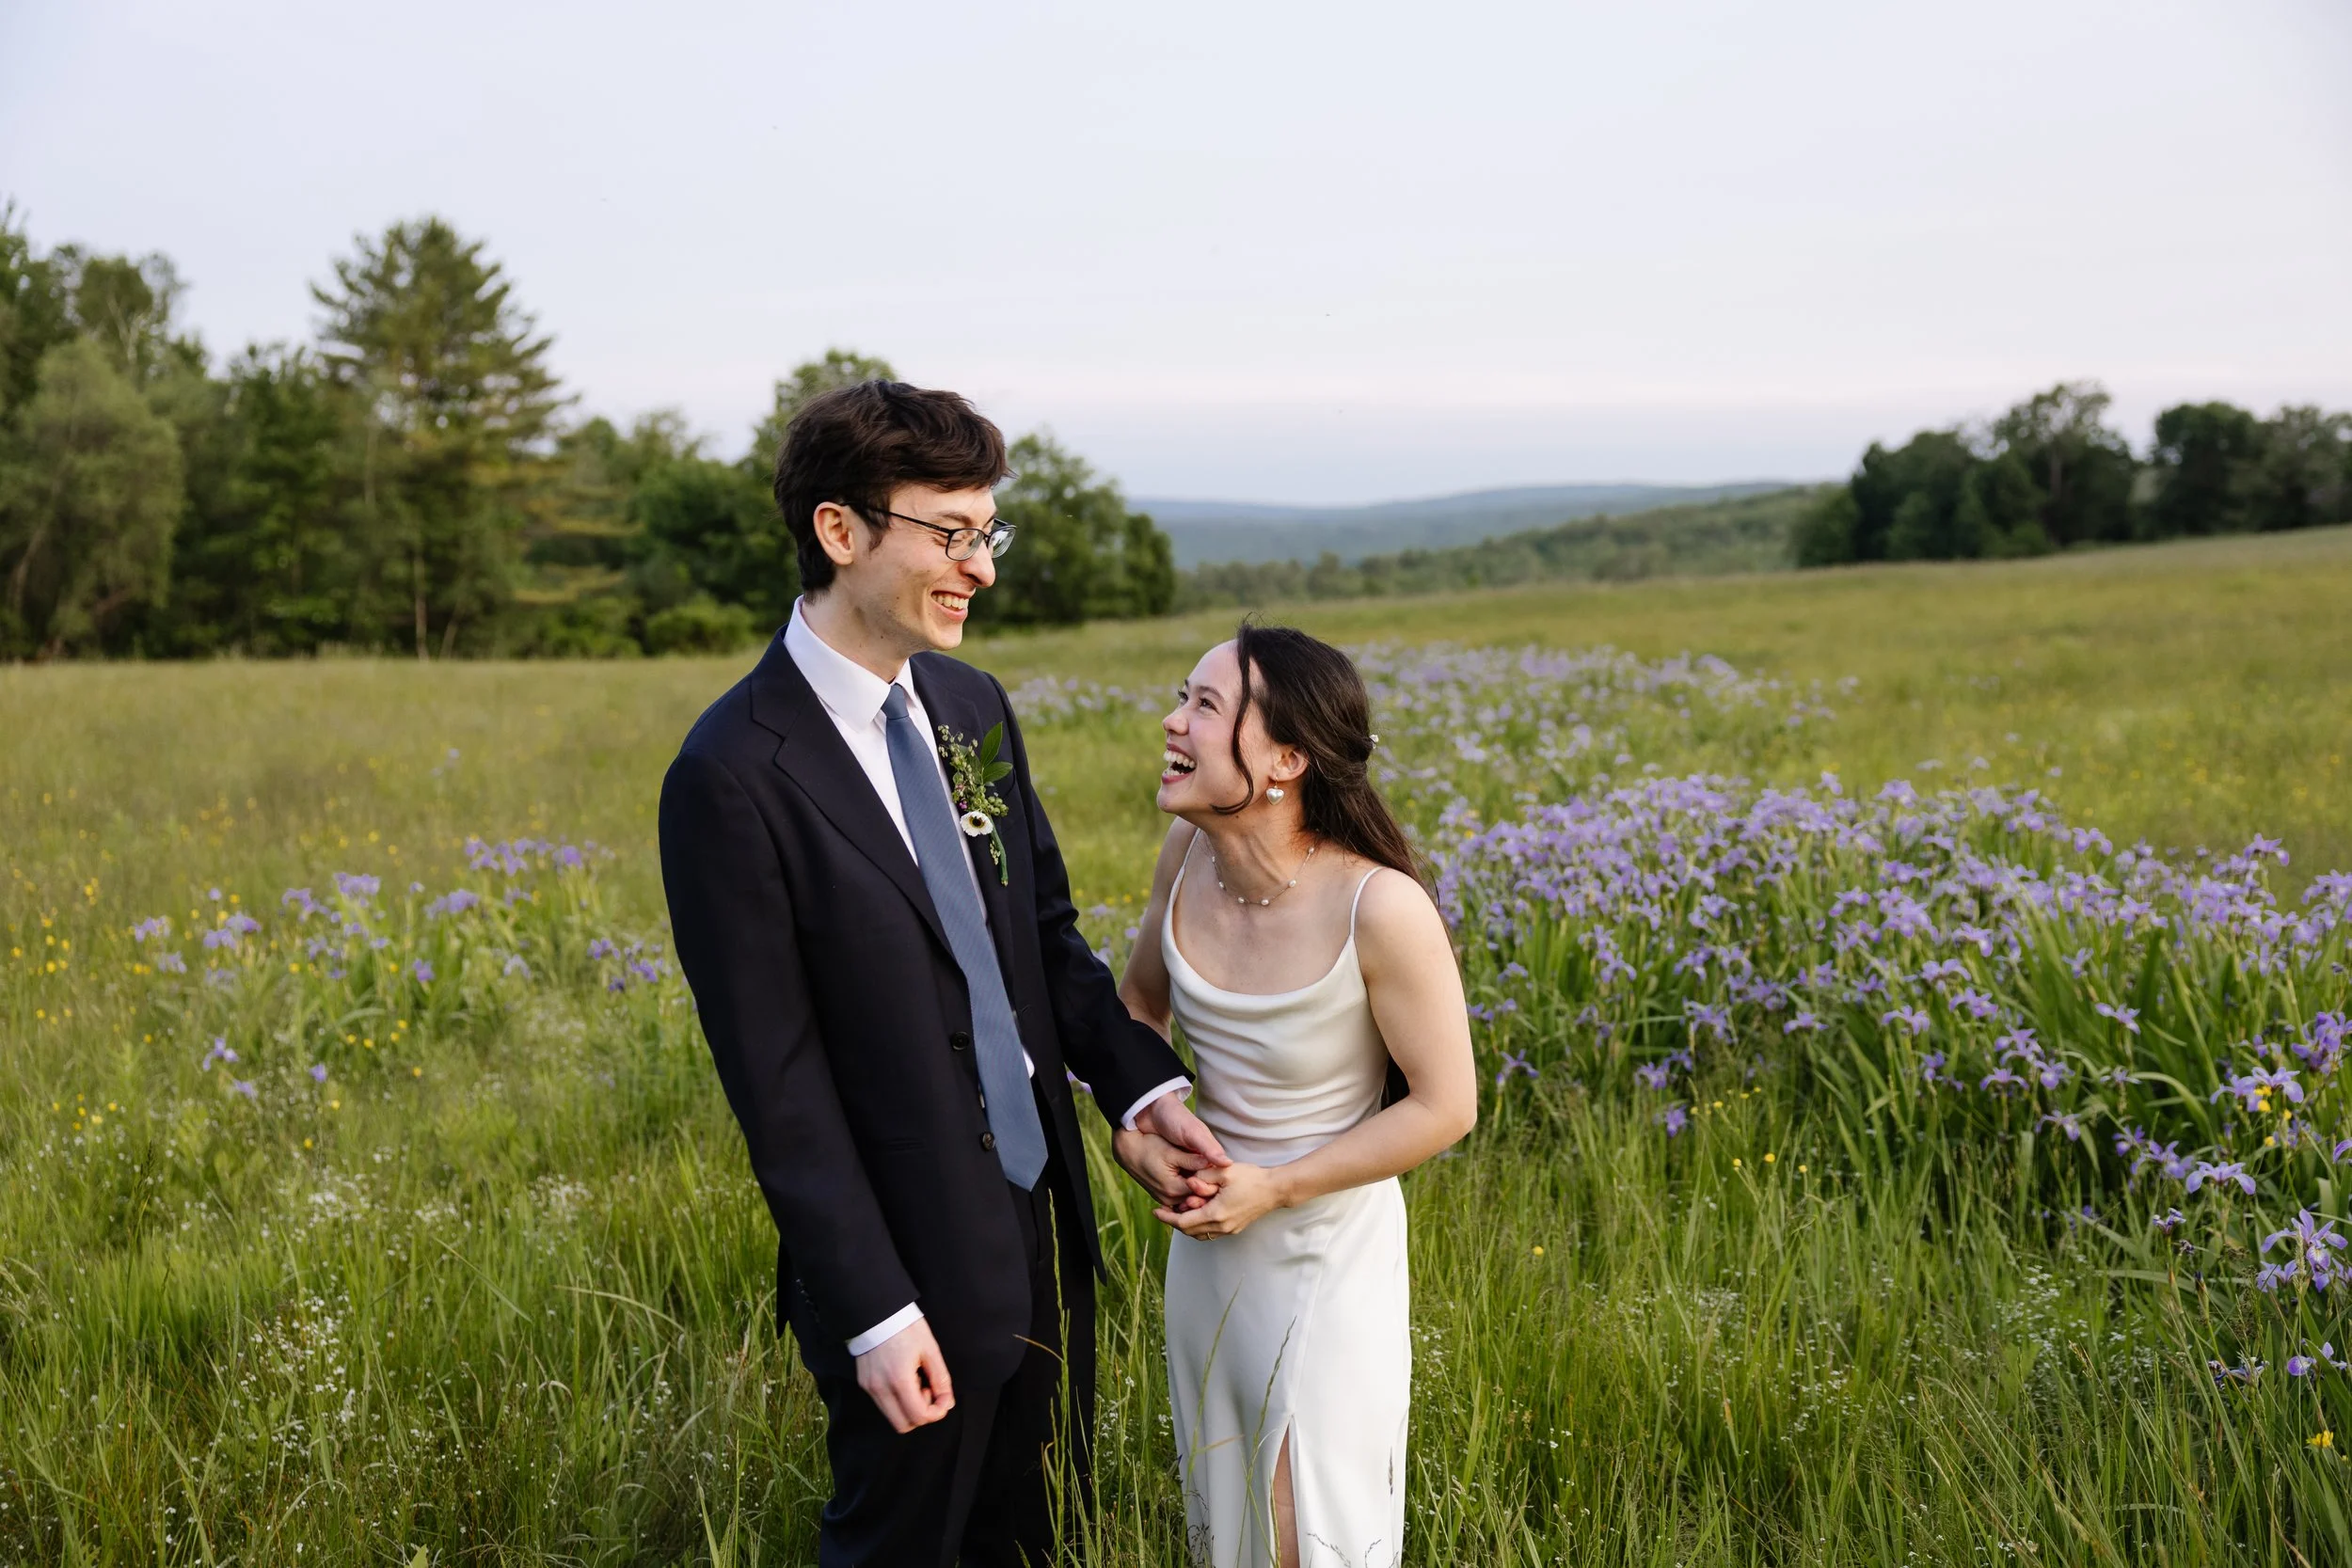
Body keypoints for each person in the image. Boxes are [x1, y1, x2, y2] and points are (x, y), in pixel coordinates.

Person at [659, 379, 1230, 1567]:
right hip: (900, 1256)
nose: (980, 566)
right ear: (840, 530)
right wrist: (871, 1308)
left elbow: (1046, 943)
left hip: (1043, 1214)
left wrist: (1139, 1089)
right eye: (950, 533)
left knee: (1040, 1539)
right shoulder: (730, 773)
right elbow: (778, 1085)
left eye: (986, 533)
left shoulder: (970, 706)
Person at [1115, 624, 1477, 1568]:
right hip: (1205, 1247)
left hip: (1324, 1249)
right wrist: (1142, 1129)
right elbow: (1139, 1009)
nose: (1172, 720)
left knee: (1302, 1527)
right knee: (1222, 1510)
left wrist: (1273, 1187)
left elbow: (1446, 1105)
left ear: (1286, 757)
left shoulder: (1379, 906)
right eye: (1179, 695)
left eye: (1204, 705)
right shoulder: (1184, 859)